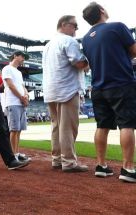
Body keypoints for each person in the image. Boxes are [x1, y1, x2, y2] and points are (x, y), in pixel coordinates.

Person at [82, 2, 136, 181]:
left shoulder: (86, 38)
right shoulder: (117, 27)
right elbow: (134, 51)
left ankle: (101, 165)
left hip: (98, 87)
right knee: (127, 124)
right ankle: (128, 168)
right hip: (121, 84)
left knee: (102, 126)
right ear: (102, 11)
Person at [42, 15, 89, 172]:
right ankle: (68, 162)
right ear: (64, 24)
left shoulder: (48, 45)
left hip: (51, 89)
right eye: (74, 26)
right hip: (67, 89)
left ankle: (56, 159)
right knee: (68, 127)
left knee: (56, 126)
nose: (76, 29)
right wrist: (90, 60)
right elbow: (79, 62)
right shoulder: (69, 40)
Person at [2, 50, 31, 162]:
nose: (23, 59)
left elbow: (22, 86)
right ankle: (12, 155)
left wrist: (26, 96)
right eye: (22, 56)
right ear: (15, 56)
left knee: (18, 130)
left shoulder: (18, 72)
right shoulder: (7, 68)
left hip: (20, 102)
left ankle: (17, 152)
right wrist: (21, 97)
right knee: (14, 130)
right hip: (13, 102)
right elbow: (10, 85)